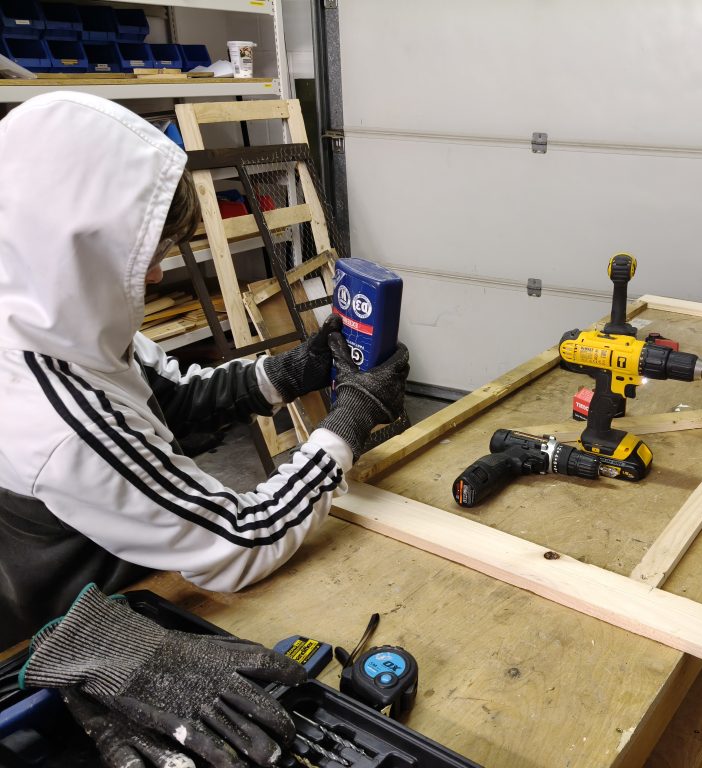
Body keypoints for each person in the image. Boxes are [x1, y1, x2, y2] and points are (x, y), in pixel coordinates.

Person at [0, 92, 410, 650]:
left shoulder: (53, 317)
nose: (155, 274)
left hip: (142, 576)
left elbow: (170, 396)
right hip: (90, 640)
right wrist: (347, 424)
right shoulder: (57, 422)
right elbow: (240, 543)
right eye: (144, 256)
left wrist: (291, 372)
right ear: (77, 250)